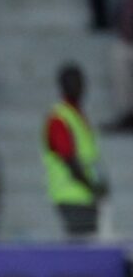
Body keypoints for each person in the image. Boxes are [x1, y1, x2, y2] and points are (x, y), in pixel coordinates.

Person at [43, 63, 108, 236]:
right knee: (82, 248)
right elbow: (68, 158)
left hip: (84, 194)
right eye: (71, 82)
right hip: (71, 193)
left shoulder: (77, 115)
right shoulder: (60, 117)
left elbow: (89, 157)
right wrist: (92, 186)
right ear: (62, 86)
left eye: (78, 82)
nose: (76, 86)